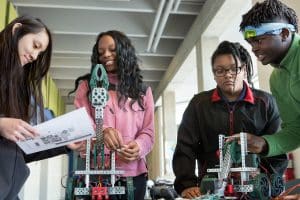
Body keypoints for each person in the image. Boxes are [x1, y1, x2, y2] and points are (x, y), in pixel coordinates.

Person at [172, 41, 288, 199]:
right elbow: (185, 148)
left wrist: (268, 184)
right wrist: (187, 184)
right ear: (214, 74)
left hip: (255, 190)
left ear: (244, 70)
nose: (227, 74)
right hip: (210, 190)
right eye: (220, 70)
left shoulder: (266, 103)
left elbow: (278, 148)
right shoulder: (199, 105)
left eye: (234, 69)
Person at [0, 15, 85, 200]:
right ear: (16, 31)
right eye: (35, 45)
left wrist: (63, 142)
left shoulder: (19, 89)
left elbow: (21, 149)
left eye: (40, 53)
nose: (34, 56)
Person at [72, 30, 155, 199]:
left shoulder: (143, 91)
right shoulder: (87, 87)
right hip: (96, 174)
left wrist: (139, 147)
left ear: (124, 51)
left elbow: (149, 132)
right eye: (101, 52)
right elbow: (80, 126)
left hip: (133, 175)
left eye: (112, 49)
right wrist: (101, 132)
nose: (106, 55)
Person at [238, 0, 300, 158]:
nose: (254, 48)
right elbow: (295, 131)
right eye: (251, 43)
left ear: (284, 33)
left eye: (259, 40)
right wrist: (265, 143)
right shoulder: (277, 79)